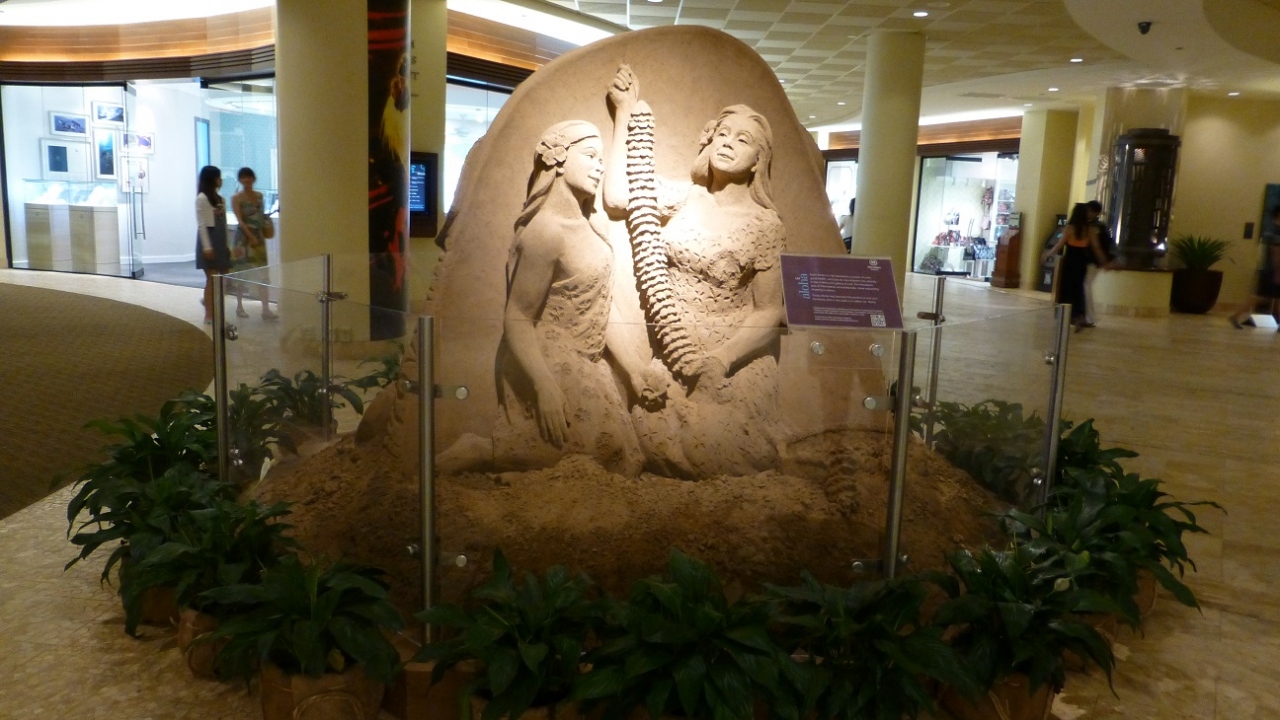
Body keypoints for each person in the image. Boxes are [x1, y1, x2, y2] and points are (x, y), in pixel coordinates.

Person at [604, 65, 787, 477]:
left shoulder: (765, 226)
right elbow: (618, 196)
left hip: (733, 363)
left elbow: (768, 311)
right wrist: (624, 113)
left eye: (742, 139)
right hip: (674, 351)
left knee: (723, 448)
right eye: (722, 134)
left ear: (758, 160)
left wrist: (721, 360)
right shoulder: (685, 198)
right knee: (654, 435)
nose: (727, 143)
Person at [491, 120, 660, 475]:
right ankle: (478, 454)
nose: (600, 166)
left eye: (602, 158)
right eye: (590, 155)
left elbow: (598, 307)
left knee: (622, 459)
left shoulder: (592, 228)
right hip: (546, 360)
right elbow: (518, 317)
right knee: (573, 454)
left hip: (587, 362)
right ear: (559, 160)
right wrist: (544, 386)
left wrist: (633, 369)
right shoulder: (545, 232)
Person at [1042, 203, 1110, 331]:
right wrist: (1104, 261)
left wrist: (1047, 254)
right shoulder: (1090, 230)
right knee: (1079, 290)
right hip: (1081, 263)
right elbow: (1096, 248)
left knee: (1067, 289)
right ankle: (1080, 316)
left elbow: (1059, 245)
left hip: (1070, 262)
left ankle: (1067, 316)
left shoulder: (1069, 229)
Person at [230, 167, 277, 320]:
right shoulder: (236, 197)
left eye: (249, 177)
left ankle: (266, 309)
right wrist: (251, 237)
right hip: (243, 239)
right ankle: (239, 306)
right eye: (243, 177)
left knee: (262, 272)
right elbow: (240, 220)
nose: (246, 180)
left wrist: (266, 223)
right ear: (240, 179)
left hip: (258, 237)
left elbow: (261, 217)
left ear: (253, 178)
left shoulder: (259, 196)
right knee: (242, 272)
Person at [1230, 205, 1280, 329]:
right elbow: (1276, 252)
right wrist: (1277, 271)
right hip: (1272, 270)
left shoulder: (1269, 230)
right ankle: (1236, 315)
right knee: (1261, 297)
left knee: (1272, 296)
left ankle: (1236, 316)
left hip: (1266, 268)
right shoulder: (1277, 231)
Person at [195, 165, 229, 325]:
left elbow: (224, 223)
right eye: (218, 177)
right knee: (212, 279)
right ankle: (209, 314)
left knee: (221, 280)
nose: (221, 180)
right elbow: (202, 224)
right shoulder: (202, 198)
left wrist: (226, 245)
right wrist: (207, 247)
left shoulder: (221, 199)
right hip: (208, 240)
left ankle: (214, 307)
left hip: (220, 240)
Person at [1082, 200, 1115, 327]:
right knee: (1086, 286)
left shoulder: (1093, 227)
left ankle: (1089, 318)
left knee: (1086, 286)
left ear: (1095, 212)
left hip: (1091, 261)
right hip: (1094, 261)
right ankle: (1087, 317)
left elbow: (1096, 246)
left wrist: (1103, 261)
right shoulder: (1102, 227)